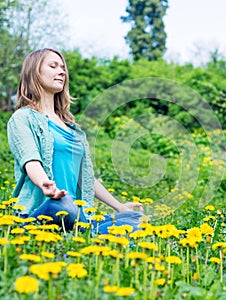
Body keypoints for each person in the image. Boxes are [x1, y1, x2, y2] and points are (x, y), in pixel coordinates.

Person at [7, 48, 143, 233]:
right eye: (53, 66)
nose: (62, 71)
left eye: (63, 67)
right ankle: (88, 234)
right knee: (65, 206)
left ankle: (86, 231)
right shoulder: (23, 118)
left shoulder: (72, 129)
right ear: (34, 73)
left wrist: (119, 207)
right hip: (47, 209)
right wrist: (44, 184)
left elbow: (86, 178)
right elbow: (30, 160)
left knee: (136, 220)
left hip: (79, 213)